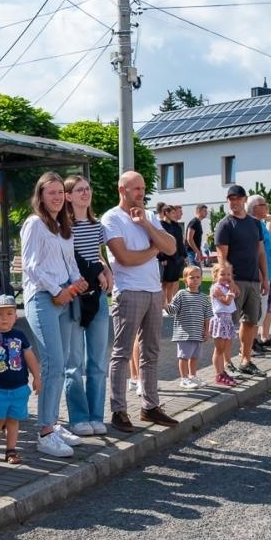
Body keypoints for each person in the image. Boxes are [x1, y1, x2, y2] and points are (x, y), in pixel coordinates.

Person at [102, 171, 179, 434]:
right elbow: (124, 258)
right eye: (136, 189)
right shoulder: (112, 218)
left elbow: (171, 247)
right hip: (128, 291)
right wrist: (152, 250)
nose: (141, 193)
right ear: (122, 190)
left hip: (153, 291)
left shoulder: (150, 216)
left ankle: (150, 406)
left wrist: (147, 226)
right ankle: (118, 410)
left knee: (151, 352)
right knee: (122, 353)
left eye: (143, 188)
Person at [20, 172, 88, 457]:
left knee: (62, 365)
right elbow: (30, 266)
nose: (58, 197)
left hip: (64, 296)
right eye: (52, 193)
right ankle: (45, 432)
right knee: (53, 363)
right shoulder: (35, 223)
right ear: (41, 196)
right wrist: (56, 290)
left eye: (61, 192)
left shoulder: (64, 226)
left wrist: (77, 282)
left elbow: (70, 262)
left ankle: (52, 422)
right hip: (42, 297)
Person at [62, 174, 111, 436]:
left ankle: (96, 415)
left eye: (87, 189)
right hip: (73, 297)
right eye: (79, 190)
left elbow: (96, 254)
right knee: (74, 363)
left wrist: (105, 269)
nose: (85, 193)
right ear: (68, 196)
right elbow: (71, 259)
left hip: (97, 297)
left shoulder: (96, 225)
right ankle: (78, 417)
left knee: (98, 361)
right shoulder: (64, 227)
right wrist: (97, 270)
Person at [0, 295, 40, 463]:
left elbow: (30, 357)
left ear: (16, 316)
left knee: (13, 421)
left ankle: (11, 450)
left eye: (9, 313)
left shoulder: (20, 335)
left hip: (20, 388)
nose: (4, 318)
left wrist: (37, 377)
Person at [214, 184, 268, 376]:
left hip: (253, 280)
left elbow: (260, 252)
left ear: (245, 200)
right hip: (234, 282)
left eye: (238, 198)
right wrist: (230, 282)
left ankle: (246, 360)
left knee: (251, 322)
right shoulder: (225, 224)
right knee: (230, 323)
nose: (234, 202)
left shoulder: (255, 224)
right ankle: (227, 362)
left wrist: (265, 277)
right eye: (231, 199)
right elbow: (222, 257)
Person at [168, 265, 212, 388]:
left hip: (197, 333)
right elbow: (172, 310)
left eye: (198, 277)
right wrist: (164, 304)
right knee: (184, 357)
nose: (195, 280)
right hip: (184, 334)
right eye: (192, 277)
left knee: (195, 357)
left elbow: (207, 316)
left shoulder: (204, 298)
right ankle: (184, 378)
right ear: (185, 280)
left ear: (201, 279)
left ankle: (192, 376)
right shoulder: (181, 294)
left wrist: (207, 331)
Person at [249, 195, 271, 348]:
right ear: (255, 207)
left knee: (262, 309)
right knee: (256, 310)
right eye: (264, 205)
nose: (267, 208)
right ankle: (252, 342)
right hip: (260, 273)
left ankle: (256, 341)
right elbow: (256, 251)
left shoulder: (259, 223)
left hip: (268, 271)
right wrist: (262, 274)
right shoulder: (253, 224)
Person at [208, 263, 239, 388]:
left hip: (227, 319)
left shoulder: (227, 287)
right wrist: (231, 291)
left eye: (228, 274)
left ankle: (222, 372)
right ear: (215, 276)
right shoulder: (215, 288)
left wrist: (231, 285)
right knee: (219, 349)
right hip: (220, 320)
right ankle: (218, 374)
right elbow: (226, 302)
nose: (226, 277)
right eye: (222, 274)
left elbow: (238, 293)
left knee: (224, 348)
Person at [157, 202, 187, 310]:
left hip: (176, 257)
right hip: (166, 258)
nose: (175, 215)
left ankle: (170, 304)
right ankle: (163, 305)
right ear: (166, 213)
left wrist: (184, 255)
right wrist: (162, 258)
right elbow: (158, 242)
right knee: (164, 283)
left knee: (173, 282)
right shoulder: (160, 225)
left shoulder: (176, 226)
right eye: (172, 213)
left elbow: (180, 242)